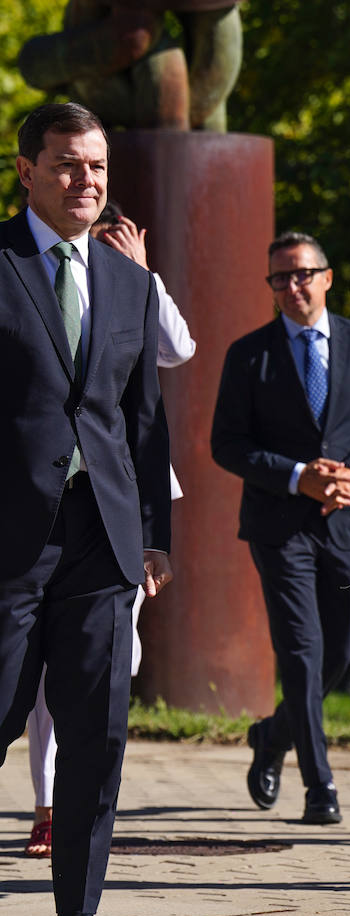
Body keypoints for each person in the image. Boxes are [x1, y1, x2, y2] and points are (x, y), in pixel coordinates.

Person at [0, 101, 172, 916]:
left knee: (97, 736)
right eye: (68, 164)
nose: (86, 181)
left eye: (98, 167)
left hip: (103, 541)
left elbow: (144, 422)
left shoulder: (130, 283)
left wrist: (157, 535)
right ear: (26, 169)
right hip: (7, 541)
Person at [24, 200, 195, 859]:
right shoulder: (32, 279)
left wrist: (145, 275)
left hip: (116, 505)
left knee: (115, 663)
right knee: (39, 680)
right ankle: (47, 808)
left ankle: (79, 807)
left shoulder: (130, 285)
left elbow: (178, 351)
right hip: (40, 505)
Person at [211, 232, 350, 825]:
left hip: (346, 523)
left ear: (327, 276)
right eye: (280, 278)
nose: (293, 287)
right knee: (301, 654)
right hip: (280, 527)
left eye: (303, 274)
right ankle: (320, 786)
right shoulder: (249, 354)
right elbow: (226, 444)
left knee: (339, 655)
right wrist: (298, 474)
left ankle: (272, 735)